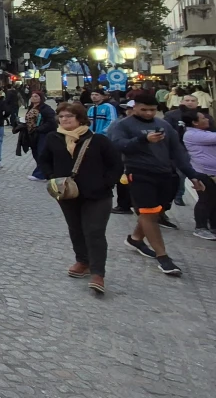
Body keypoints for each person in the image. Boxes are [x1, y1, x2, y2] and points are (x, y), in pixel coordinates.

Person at [108, 90, 205, 277]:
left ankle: (136, 238)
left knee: (156, 211)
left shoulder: (163, 125)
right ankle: (163, 257)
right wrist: (143, 139)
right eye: (144, 110)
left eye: (152, 110)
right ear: (134, 107)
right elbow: (118, 146)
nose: (148, 113)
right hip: (138, 174)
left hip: (165, 174)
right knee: (148, 212)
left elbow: (177, 152)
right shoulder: (122, 125)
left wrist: (192, 175)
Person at [39, 102, 123, 295]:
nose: (65, 119)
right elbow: (44, 159)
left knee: (94, 231)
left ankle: (98, 273)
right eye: (61, 117)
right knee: (76, 228)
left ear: (80, 118)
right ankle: (82, 261)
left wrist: (106, 183)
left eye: (69, 116)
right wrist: (52, 177)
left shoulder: (98, 140)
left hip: (97, 195)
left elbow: (116, 164)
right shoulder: (54, 138)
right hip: (67, 194)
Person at [183, 112, 216, 240]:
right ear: (195, 122)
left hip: (211, 172)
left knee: (213, 200)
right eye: (203, 118)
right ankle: (200, 228)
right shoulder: (193, 134)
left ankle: (213, 226)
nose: (207, 119)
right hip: (202, 172)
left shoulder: (205, 133)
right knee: (206, 199)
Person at [25, 91, 57, 182]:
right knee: (35, 153)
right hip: (33, 134)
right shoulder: (31, 107)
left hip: (44, 134)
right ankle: (46, 171)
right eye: (32, 96)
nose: (33, 98)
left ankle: (40, 174)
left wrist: (39, 128)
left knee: (41, 153)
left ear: (41, 98)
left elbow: (52, 122)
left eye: (36, 96)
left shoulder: (46, 109)